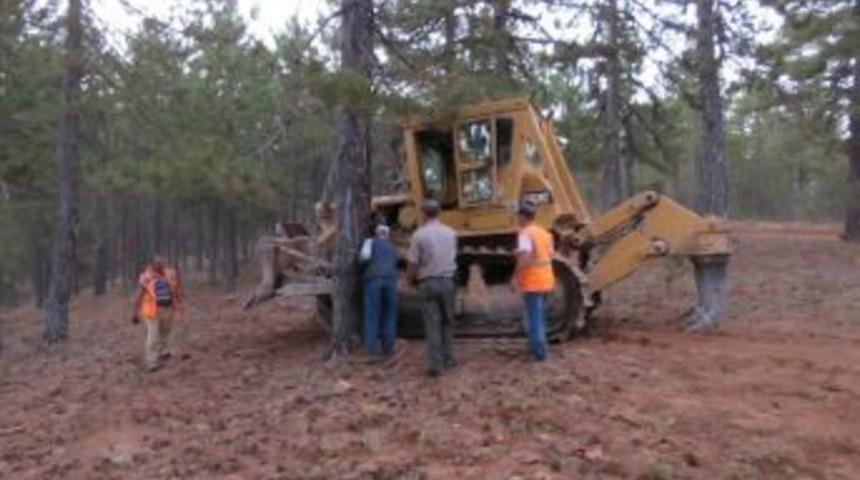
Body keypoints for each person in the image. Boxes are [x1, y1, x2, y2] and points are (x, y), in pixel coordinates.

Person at [407, 199, 458, 377]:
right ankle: (449, 358)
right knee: (447, 322)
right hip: (447, 281)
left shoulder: (418, 235)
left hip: (427, 283)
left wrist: (409, 280)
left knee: (432, 324)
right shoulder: (451, 233)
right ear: (439, 213)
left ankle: (436, 365)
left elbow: (413, 263)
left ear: (423, 214)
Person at [510, 201, 555, 361]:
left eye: (518, 216)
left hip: (533, 282)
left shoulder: (525, 233)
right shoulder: (544, 233)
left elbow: (525, 257)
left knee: (534, 319)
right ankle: (539, 348)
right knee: (540, 317)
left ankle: (540, 354)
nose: (517, 219)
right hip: (546, 280)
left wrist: (515, 277)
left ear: (523, 216)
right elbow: (550, 254)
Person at [359, 224, 399, 358]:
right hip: (390, 281)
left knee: (372, 314)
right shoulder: (393, 245)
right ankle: (388, 349)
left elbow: (363, 259)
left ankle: (371, 351)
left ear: (376, 233)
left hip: (373, 280)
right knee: (389, 314)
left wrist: (361, 270)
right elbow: (397, 261)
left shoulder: (369, 242)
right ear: (387, 234)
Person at [132, 255, 178, 372]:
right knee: (153, 335)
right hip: (152, 310)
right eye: (158, 263)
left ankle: (163, 353)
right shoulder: (146, 277)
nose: (161, 264)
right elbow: (139, 294)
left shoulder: (168, 274)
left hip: (167, 308)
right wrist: (135, 312)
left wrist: (177, 303)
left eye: (162, 262)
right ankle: (151, 361)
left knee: (166, 332)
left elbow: (174, 289)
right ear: (152, 264)